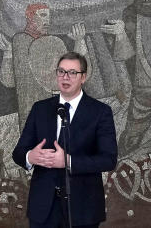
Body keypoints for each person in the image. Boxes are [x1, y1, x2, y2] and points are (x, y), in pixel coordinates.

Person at [12, 52, 117, 228]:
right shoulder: (40, 109)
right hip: (43, 208)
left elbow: (108, 160)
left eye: (72, 72)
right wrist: (31, 157)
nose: (65, 77)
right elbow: (19, 152)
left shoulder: (100, 112)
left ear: (83, 77)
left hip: (83, 208)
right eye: (61, 71)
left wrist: (68, 161)